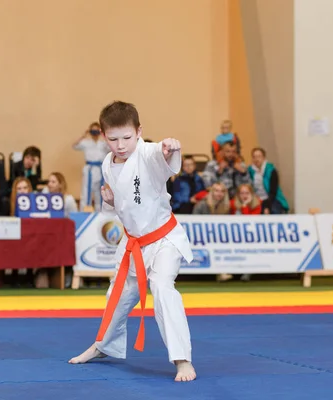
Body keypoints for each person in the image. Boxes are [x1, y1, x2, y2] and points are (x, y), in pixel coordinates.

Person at [68, 101, 196, 382]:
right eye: (113, 139)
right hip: (133, 244)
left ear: (139, 131)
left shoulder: (149, 153)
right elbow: (122, 207)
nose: (121, 145)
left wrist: (170, 148)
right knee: (117, 297)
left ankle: (182, 359)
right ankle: (103, 346)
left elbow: (163, 160)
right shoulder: (106, 163)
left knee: (162, 288)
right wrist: (110, 202)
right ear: (103, 137)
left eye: (127, 137)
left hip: (164, 240)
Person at [73, 122, 109, 211]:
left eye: (97, 131)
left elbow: (112, 148)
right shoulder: (86, 143)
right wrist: (84, 135)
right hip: (89, 169)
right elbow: (74, 146)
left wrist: (104, 135)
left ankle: (100, 212)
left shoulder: (103, 143)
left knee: (100, 192)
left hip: (100, 169)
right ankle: (84, 211)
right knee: (86, 191)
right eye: (93, 130)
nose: (95, 133)